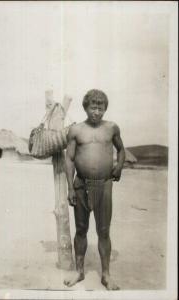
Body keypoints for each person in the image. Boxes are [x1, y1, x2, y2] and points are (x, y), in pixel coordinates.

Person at [64, 89, 125, 290]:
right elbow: (70, 158)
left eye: (101, 108)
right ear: (85, 107)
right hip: (81, 184)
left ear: (105, 109)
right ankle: (79, 272)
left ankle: (106, 275)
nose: (97, 112)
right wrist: (70, 187)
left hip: (104, 184)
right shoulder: (76, 130)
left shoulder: (112, 128)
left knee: (104, 231)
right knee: (81, 229)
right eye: (93, 107)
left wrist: (119, 166)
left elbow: (121, 150)